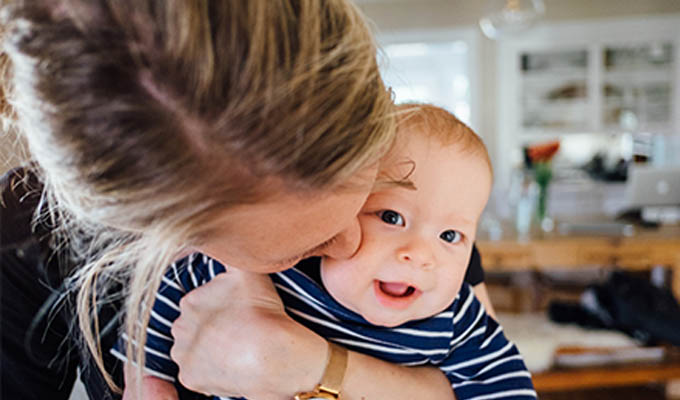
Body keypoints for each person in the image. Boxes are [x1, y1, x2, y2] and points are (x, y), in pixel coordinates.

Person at [0, 1, 495, 399]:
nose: (353, 242)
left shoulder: (418, 206)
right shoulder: (18, 247)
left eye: (369, 200)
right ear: (163, 236)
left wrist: (320, 370)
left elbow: (490, 377)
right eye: (304, 246)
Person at [118, 104, 536, 400]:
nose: (420, 253)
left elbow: (505, 387)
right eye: (390, 217)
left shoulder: (455, 318)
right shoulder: (279, 264)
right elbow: (156, 321)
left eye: (450, 237)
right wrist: (149, 386)